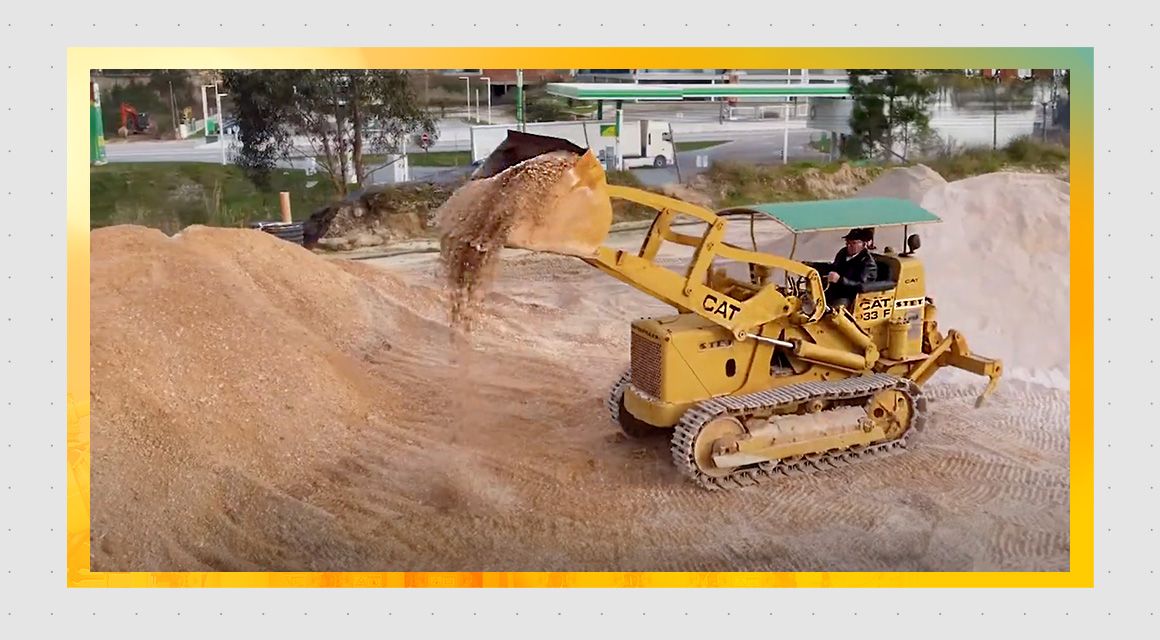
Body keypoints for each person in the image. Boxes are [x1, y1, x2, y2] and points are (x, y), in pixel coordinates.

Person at [807, 228, 877, 309]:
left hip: (849, 297)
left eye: (853, 243)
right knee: (809, 300)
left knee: (834, 313)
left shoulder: (868, 264)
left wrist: (839, 280)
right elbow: (833, 267)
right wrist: (813, 265)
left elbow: (861, 287)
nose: (849, 246)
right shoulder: (843, 253)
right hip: (833, 290)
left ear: (864, 244)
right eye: (847, 242)